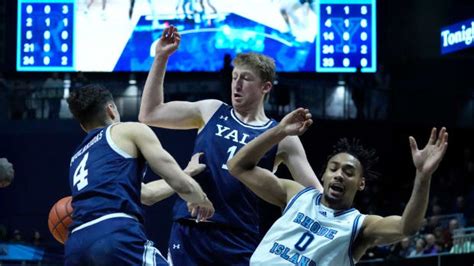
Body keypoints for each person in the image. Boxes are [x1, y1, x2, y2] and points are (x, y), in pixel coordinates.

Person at [139, 25, 322, 265]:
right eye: (234, 77)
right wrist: (162, 57)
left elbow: (315, 197)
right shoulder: (212, 109)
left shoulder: (282, 135)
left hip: (238, 236)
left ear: (265, 87)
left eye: (246, 79)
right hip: (191, 228)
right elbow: (150, 113)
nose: (236, 85)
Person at [228, 108, 448, 265]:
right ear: (323, 174)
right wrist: (280, 131)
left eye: (348, 172)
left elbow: (406, 228)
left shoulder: (360, 226)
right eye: (334, 168)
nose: (339, 175)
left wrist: (423, 176)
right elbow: (238, 167)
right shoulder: (296, 194)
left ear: (361, 183)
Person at [65, 84, 214, 265]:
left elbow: (146, 195)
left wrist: (187, 173)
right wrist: (200, 198)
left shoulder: (77, 157)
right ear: (111, 109)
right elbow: (177, 181)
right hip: (114, 233)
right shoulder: (128, 130)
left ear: (83, 125)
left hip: (75, 245)